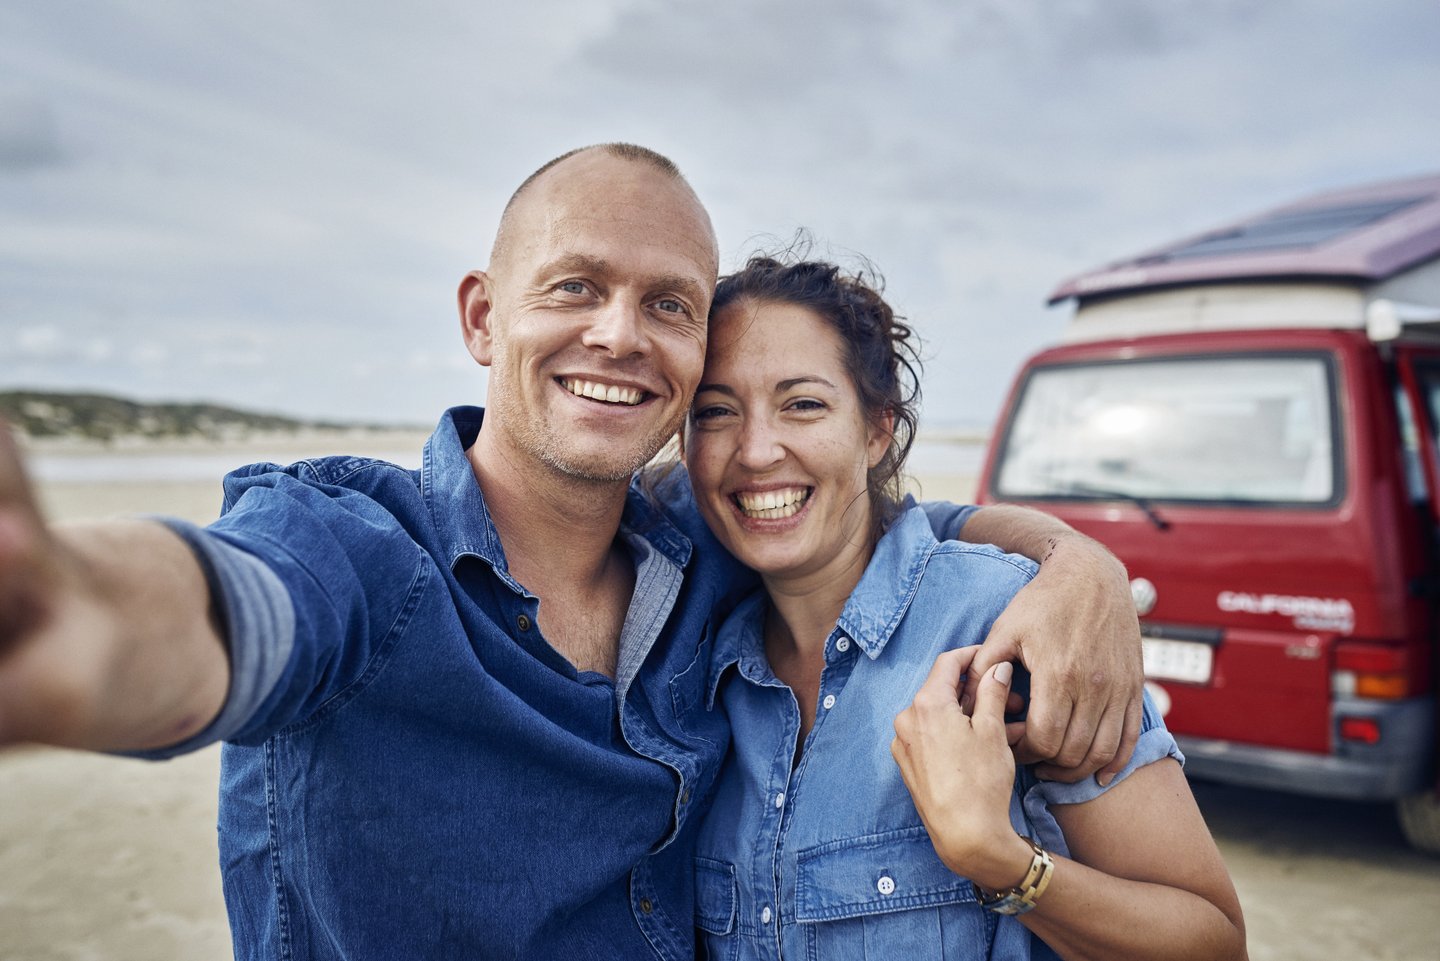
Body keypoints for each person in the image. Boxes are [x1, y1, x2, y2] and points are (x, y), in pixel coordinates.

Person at [0, 144, 1144, 960]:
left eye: (669, 305)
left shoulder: (707, 556)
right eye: (575, 287)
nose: (618, 334)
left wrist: (1073, 562)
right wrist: (72, 613)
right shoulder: (359, 549)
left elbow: (885, 521)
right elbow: (217, 611)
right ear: (482, 317)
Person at [681, 255, 1246, 959]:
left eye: (803, 404)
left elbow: (1212, 941)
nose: (757, 450)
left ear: (877, 430)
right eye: (716, 411)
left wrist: (1001, 862)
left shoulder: (1010, 624)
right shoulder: (696, 665)